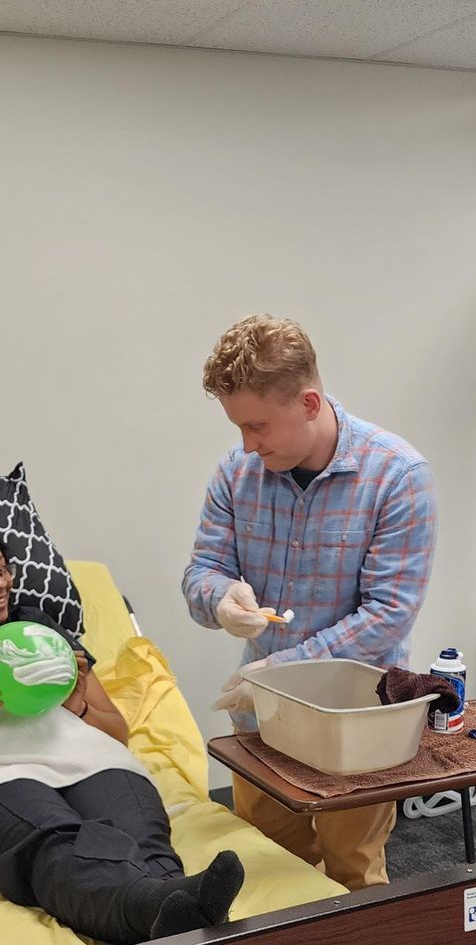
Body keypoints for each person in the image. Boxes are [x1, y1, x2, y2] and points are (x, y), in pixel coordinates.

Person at [0, 514, 244, 944]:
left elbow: (114, 730)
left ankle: (172, 905)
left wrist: (76, 701)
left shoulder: (38, 628)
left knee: (143, 840)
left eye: (3, 568)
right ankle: (152, 909)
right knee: (54, 840)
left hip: (82, 756)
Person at [183, 314, 437, 889]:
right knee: (270, 868)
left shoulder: (397, 476)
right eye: (239, 428)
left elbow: (389, 612)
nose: (247, 445)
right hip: (263, 722)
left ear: (309, 403)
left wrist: (275, 671)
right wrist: (220, 597)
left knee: (353, 870)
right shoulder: (236, 472)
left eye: (257, 426)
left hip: (355, 719)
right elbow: (202, 571)